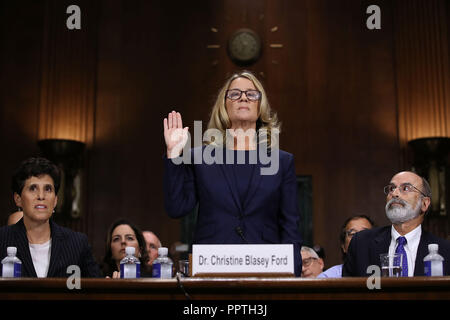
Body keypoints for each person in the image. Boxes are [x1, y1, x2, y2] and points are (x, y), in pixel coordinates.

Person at [163, 70, 303, 276]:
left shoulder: (282, 161)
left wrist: (292, 277)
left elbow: (290, 226)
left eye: (251, 94)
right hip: (211, 268)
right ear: (224, 105)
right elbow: (177, 208)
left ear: (260, 106)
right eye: (235, 94)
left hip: (267, 270)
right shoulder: (200, 158)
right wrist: (174, 153)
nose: (244, 97)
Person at [0, 157, 100, 277]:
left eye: (48, 189)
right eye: (33, 188)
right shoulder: (2, 239)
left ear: (55, 200)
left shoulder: (77, 243)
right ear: (18, 199)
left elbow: (97, 290)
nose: (41, 196)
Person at [343, 171, 450, 276]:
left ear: (424, 203)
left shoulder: (445, 251)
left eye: (406, 188)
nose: (394, 193)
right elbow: (348, 292)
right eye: (391, 188)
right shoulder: (361, 244)